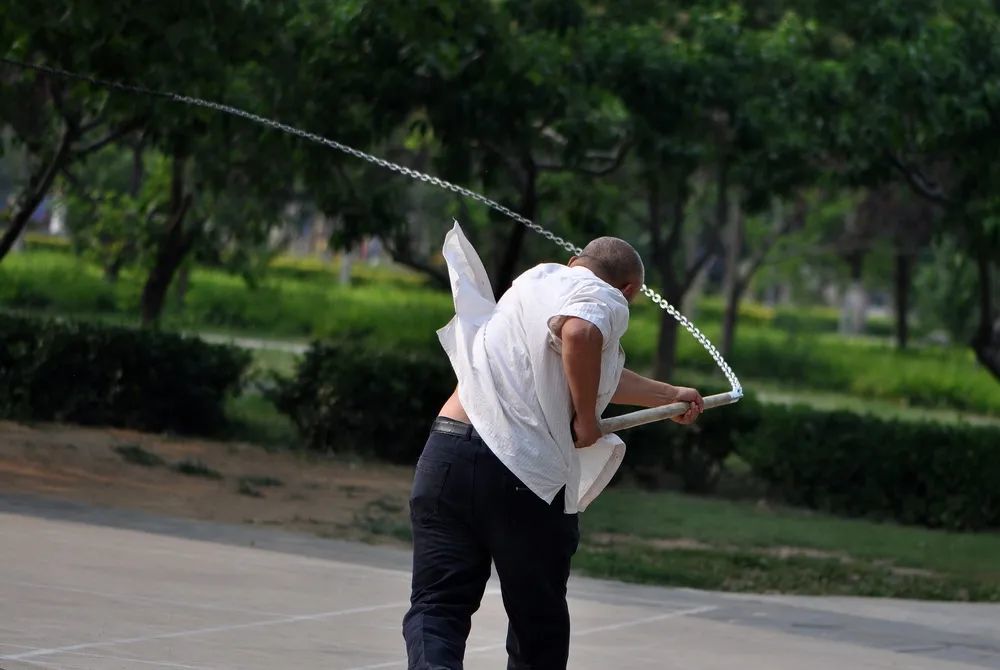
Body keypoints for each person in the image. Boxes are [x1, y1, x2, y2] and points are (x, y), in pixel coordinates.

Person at [402, 223, 704, 669]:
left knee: (437, 607)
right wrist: (585, 419)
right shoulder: (605, 295)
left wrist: (667, 395)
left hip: (447, 454)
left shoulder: (534, 282)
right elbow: (580, 336)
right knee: (536, 625)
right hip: (521, 473)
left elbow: (580, 362)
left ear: (573, 261)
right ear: (629, 288)